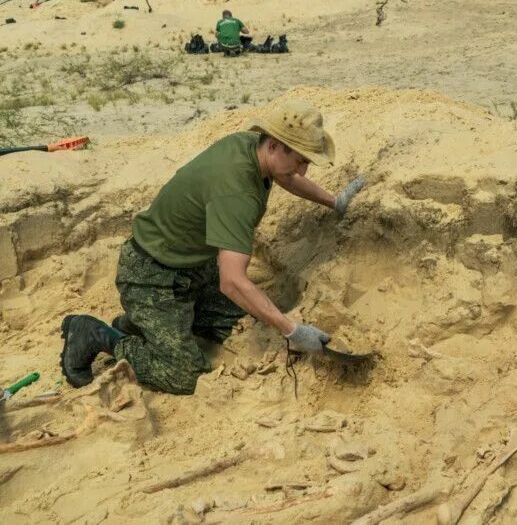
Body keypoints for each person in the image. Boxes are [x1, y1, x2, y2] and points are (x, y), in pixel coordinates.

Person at [59, 100, 367, 395]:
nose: (303, 171)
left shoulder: (251, 148)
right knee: (182, 375)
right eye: (300, 160)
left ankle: (142, 325)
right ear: (274, 145)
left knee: (244, 323)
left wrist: (333, 201)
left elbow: (286, 176)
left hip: (192, 267)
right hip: (151, 276)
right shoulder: (237, 192)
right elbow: (232, 281)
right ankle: (96, 334)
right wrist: (293, 332)